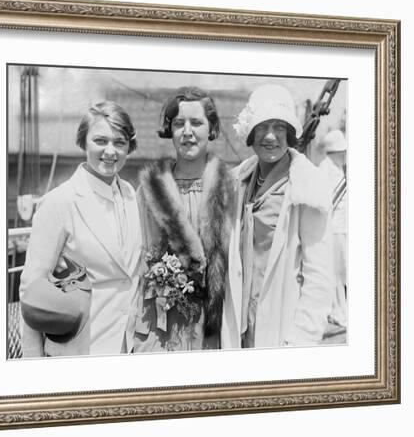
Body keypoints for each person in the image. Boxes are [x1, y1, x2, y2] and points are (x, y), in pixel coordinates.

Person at [19, 101, 143, 357]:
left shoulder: (131, 194)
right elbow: (31, 291)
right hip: (79, 352)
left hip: (128, 347)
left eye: (119, 142)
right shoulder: (59, 202)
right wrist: (31, 368)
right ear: (83, 142)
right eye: (100, 141)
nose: (110, 151)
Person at [221, 84, 335, 348]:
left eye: (279, 127)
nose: (270, 136)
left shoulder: (307, 186)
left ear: (291, 133)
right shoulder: (239, 180)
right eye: (262, 127)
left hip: (281, 327)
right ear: (250, 133)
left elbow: (319, 277)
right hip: (238, 325)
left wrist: (300, 341)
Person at [134, 86, 240, 352]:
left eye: (197, 123)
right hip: (160, 317)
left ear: (212, 128)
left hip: (212, 321)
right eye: (179, 123)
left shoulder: (232, 187)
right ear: (170, 129)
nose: (188, 132)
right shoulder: (150, 190)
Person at [318, 129, 348, 329]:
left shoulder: (339, 168)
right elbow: (326, 202)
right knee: (335, 272)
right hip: (333, 229)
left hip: (344, 228)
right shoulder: (325, 169)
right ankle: (336, 311)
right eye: (342, 151)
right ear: (335, 151)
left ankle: (341, 309)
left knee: (344, 271)